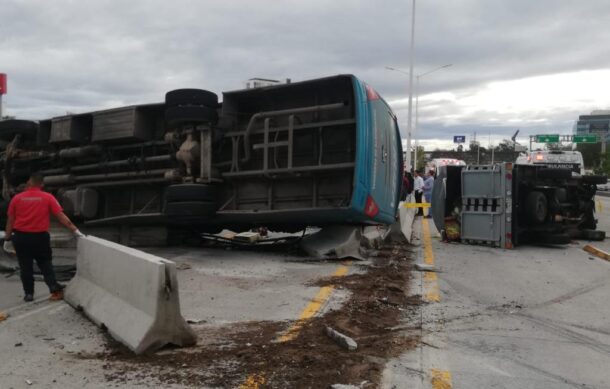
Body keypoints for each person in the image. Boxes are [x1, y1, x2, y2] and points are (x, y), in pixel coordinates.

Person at [4, 173, 84, 302]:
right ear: (42, 184)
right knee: (45, 263)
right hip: (40, 237)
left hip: (21, 237)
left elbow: (11, 220)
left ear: (29, 182)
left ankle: (29, 294)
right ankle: (53, 286)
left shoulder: (17, 198)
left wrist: (8, 236)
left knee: (25, 266)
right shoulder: (48, 197)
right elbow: (60, 216)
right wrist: (75, 231)